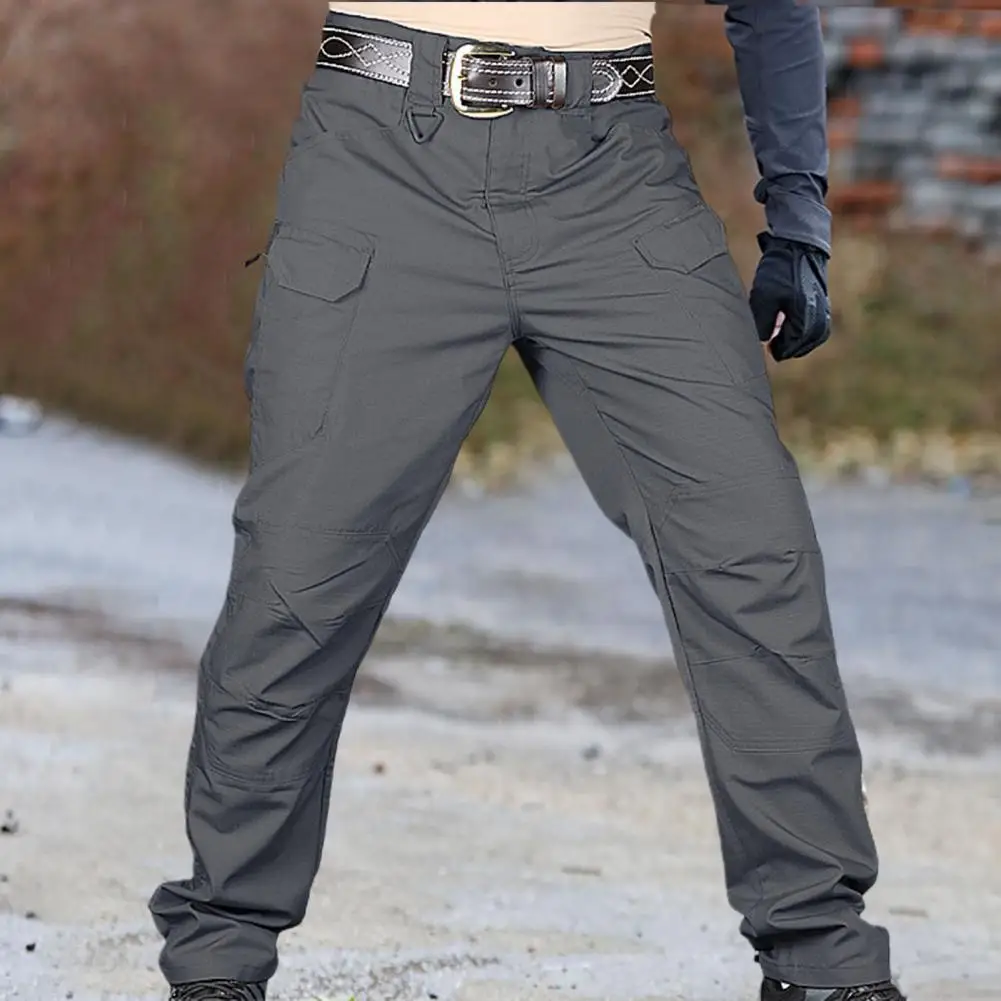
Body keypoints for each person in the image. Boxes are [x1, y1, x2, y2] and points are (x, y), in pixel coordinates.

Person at [149, 4, 904, 1000]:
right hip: (383, 157)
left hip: (611, 172)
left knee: (749, 546)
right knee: (300, 571)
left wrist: (797, 216)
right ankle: (218, 960)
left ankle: (821, 958)